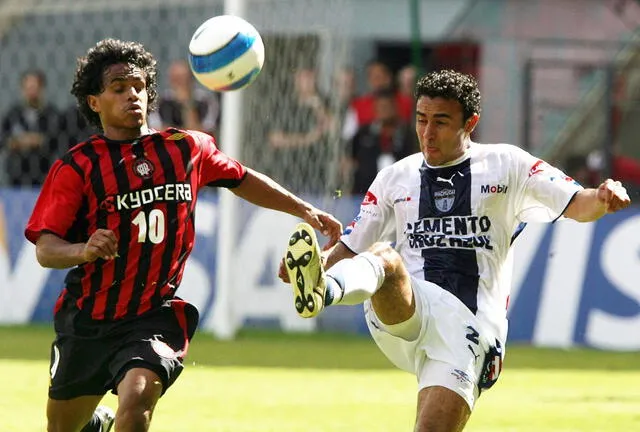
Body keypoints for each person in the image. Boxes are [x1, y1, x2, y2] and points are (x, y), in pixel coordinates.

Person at [281, 70, 631, 432]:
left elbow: (578, 204)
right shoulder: (394, 178)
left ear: (471, 122)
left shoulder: (507, 165)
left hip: (471, 330)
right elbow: (353, 244)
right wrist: (319, 265)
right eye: (421, 120)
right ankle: (324, 291)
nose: (428, 133)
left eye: (441, 122)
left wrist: (603, 197)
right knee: (384, 258)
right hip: (412, 309)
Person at [25, 38, 342, 432]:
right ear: (94, 102)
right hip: (89, 319)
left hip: (154, 315)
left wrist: (304, 209)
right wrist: (83, 250)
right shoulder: (77, 167)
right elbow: (45, 249)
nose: (132, 95)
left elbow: (240, 178)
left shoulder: (185, 147)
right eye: (119, 88)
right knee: (61, 428)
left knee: (139, 396)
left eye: (139, 86)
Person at [348, 88, 417, 195]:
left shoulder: (406, 133)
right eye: (380, 107)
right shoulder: (364, 133)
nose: (383, 111)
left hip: (399, 193)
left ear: (394, 108)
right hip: (364, 194)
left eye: (386, 107)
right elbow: (351, 159)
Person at [0, 69, 61, 186]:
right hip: (16, 178)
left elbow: (57, 140)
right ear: (22, 89)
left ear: (42, 89)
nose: (31, 92)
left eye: (35, 88)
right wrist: (17, 142)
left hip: (43, 176)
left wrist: (39, 140)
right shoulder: (13, 114)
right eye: (28, 88)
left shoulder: (51, 114)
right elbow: (3, 139)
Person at [147, 59, 220, 135]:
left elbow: (202, 133)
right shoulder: (160, 102)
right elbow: (158, 132)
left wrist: (187, 104)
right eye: (177, 79)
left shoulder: (205, 101)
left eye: (184, 78)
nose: (180, 83)